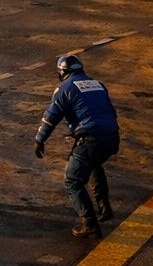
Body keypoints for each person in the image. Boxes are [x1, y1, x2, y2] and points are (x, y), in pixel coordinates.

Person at [34, 54, 120, 239]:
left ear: (62, 72)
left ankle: (89, 223)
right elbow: (111, 113)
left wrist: (40, 139)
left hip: (90, 138)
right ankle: (104, 209)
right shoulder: (97, 84)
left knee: (72, 180)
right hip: (112, 137)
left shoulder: (65, 88)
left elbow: (51, 116)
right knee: (94, 164)